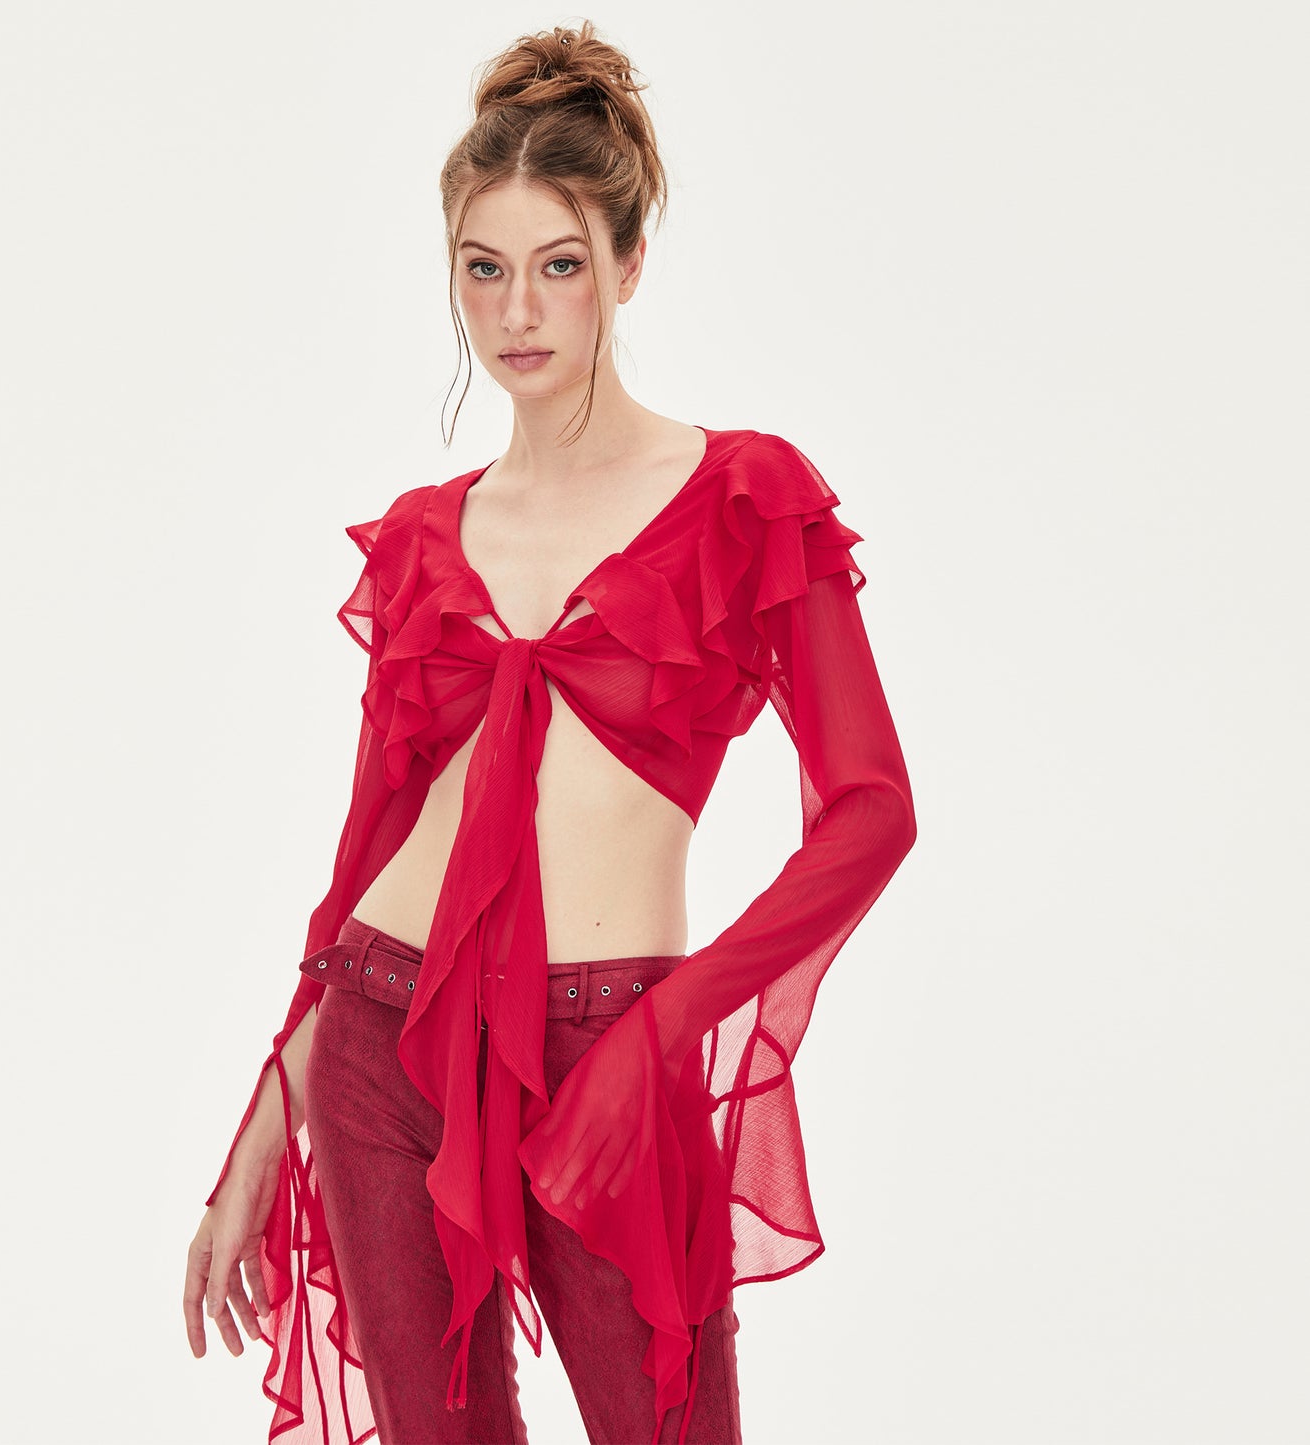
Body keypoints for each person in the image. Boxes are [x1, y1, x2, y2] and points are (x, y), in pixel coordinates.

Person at [183, 20, 916, 1445]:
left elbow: (872, 811)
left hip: (613, 1051)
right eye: (484, 267)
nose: (517, 310)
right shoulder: (422, 539)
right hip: (387, 1046)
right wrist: (261, 1133)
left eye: (559, 264)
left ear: (626, 266)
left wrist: (665, 1033)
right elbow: (362, 865)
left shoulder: (742, 496)